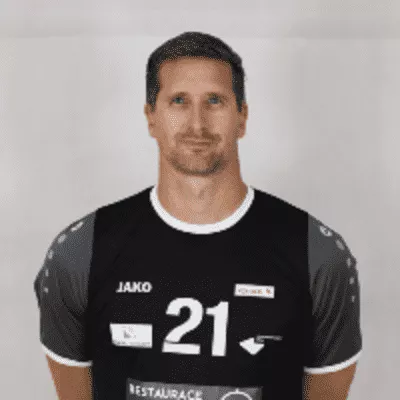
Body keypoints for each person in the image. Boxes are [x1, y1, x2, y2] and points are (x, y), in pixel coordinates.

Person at [33, 31, 362, 400]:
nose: (197, 124)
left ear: (242, 117)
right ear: (151, 117)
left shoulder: (318, 254)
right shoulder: (81, 251)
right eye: (178, 101)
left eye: (215, 101)